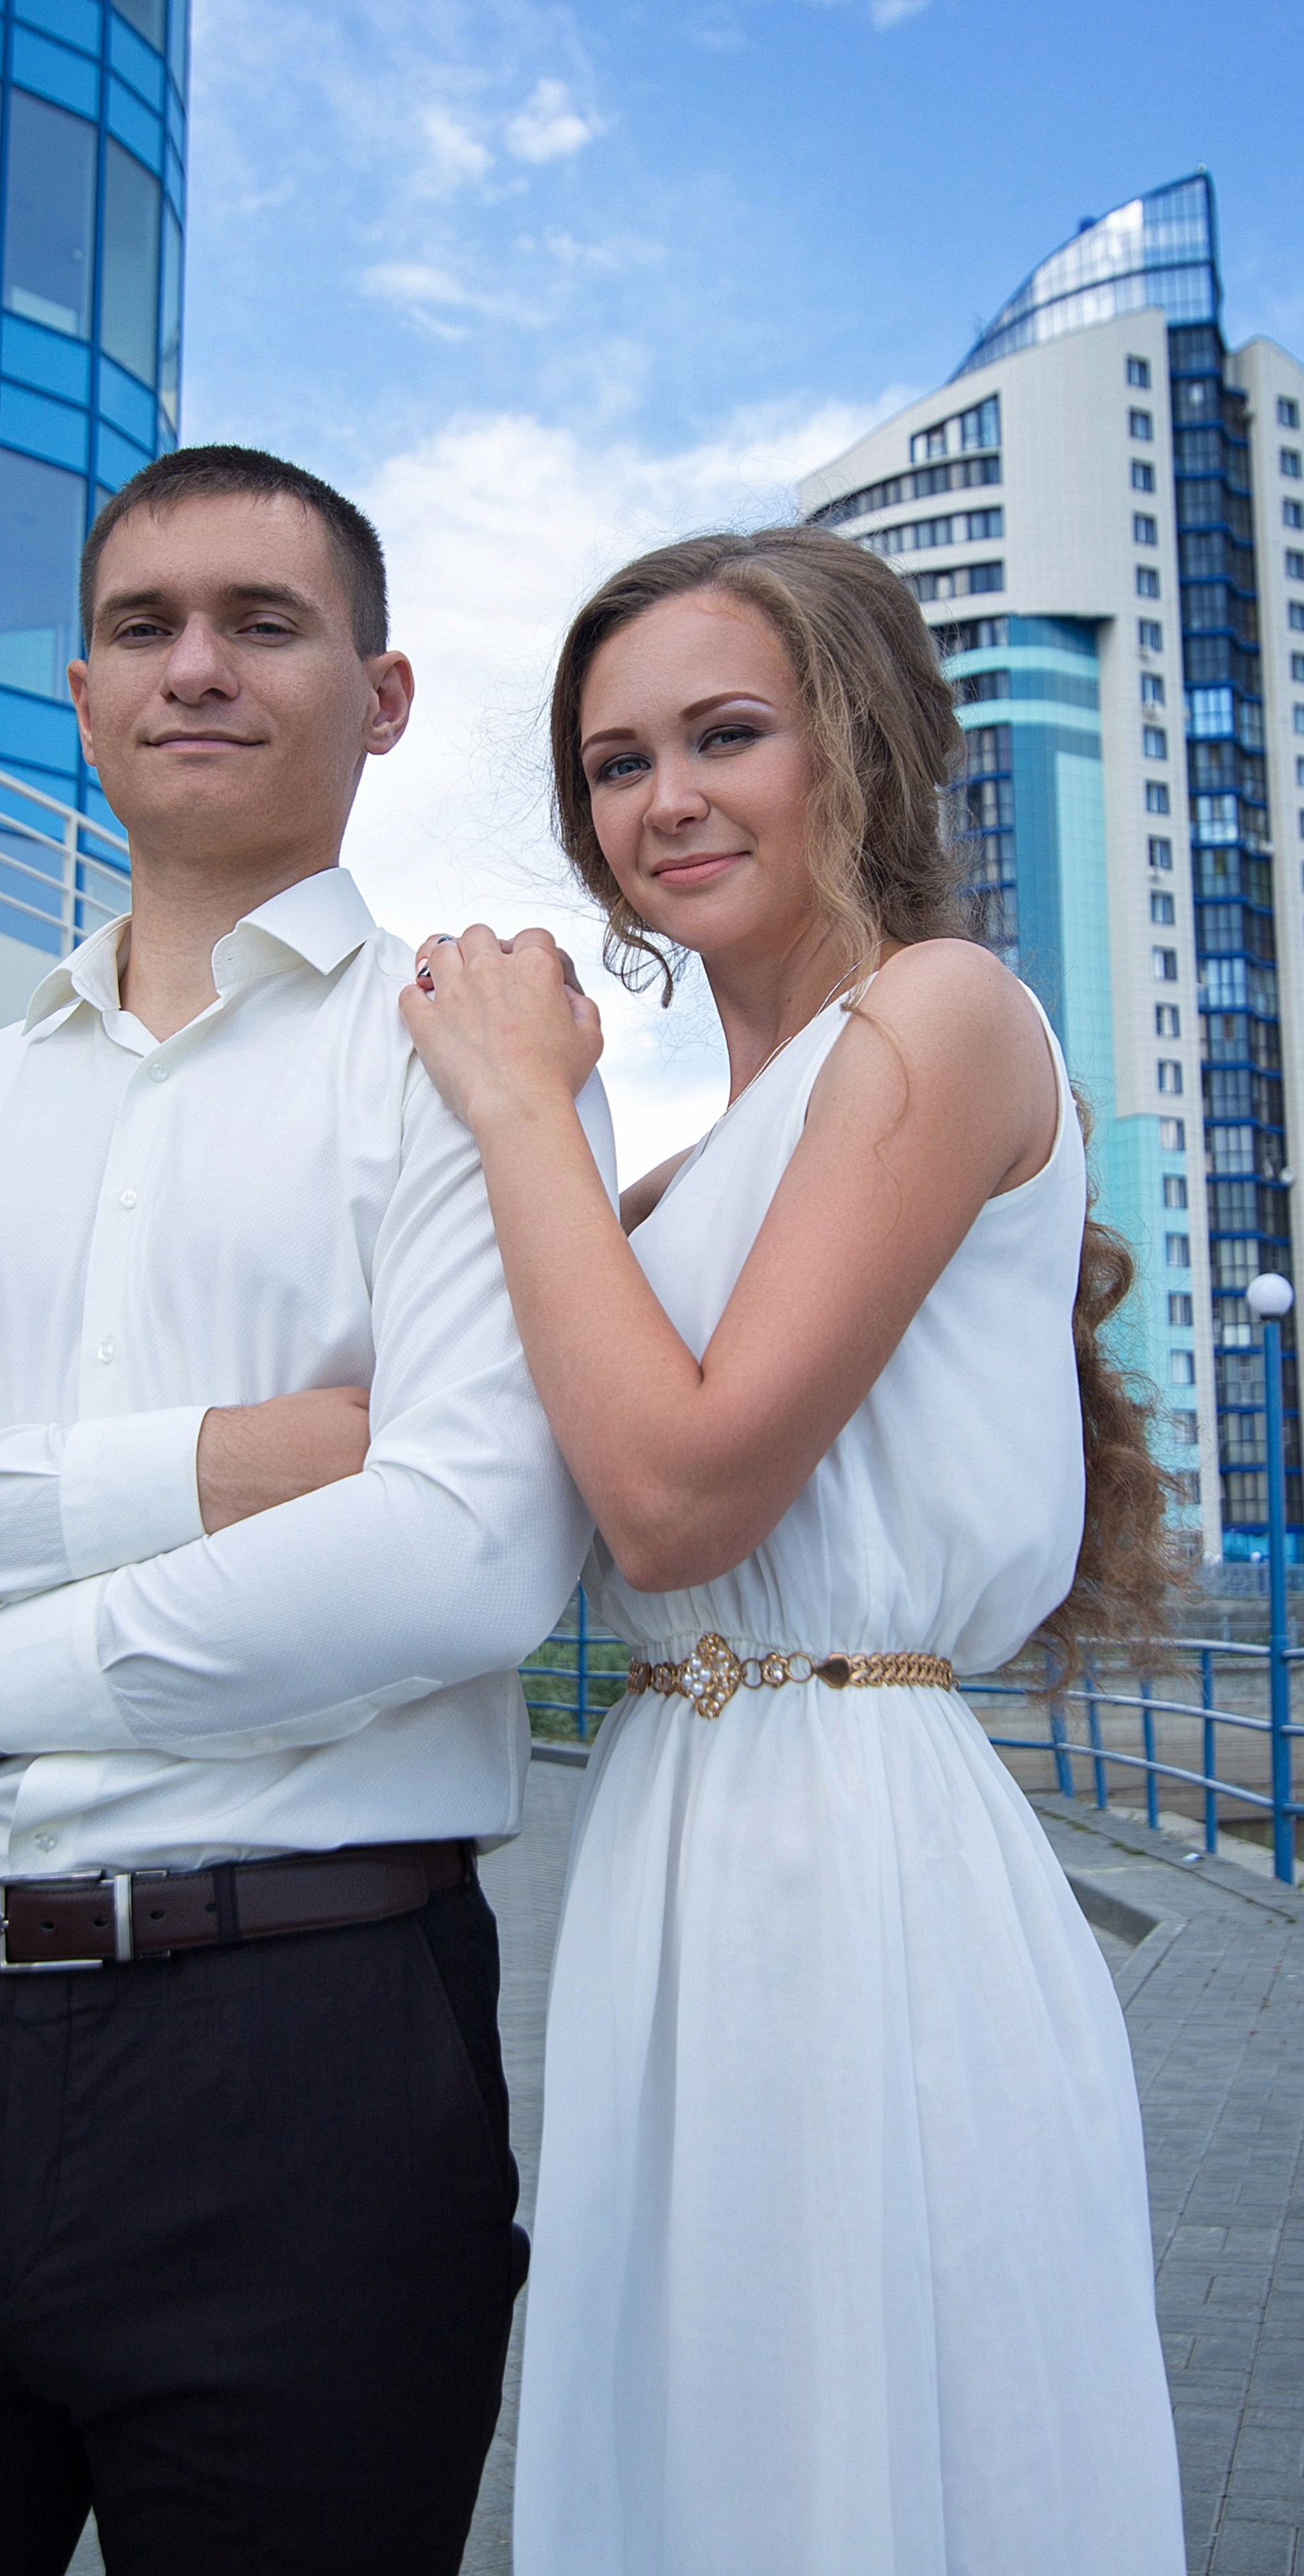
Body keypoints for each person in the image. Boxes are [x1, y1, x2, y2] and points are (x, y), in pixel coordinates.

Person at [0, 446, 612, 2576]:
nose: (199, 666)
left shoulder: (469, 1058)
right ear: (79, 696)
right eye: (149, 629)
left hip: (314, 2066)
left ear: (382, 695)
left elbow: (462, 1557)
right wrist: (221, 1465)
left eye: (265, 623)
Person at [402, 527, 1187, 2576]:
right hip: (677, 1821)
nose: (662, 802)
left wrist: (517, 1111)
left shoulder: (946, 1014)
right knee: (704, 2436)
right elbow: (439, 1443)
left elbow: (672, 1495)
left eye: (723, 734)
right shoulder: (676, 1174)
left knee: (871, 2436)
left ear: (860, 745)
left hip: (856, 1839)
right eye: (612, 761)